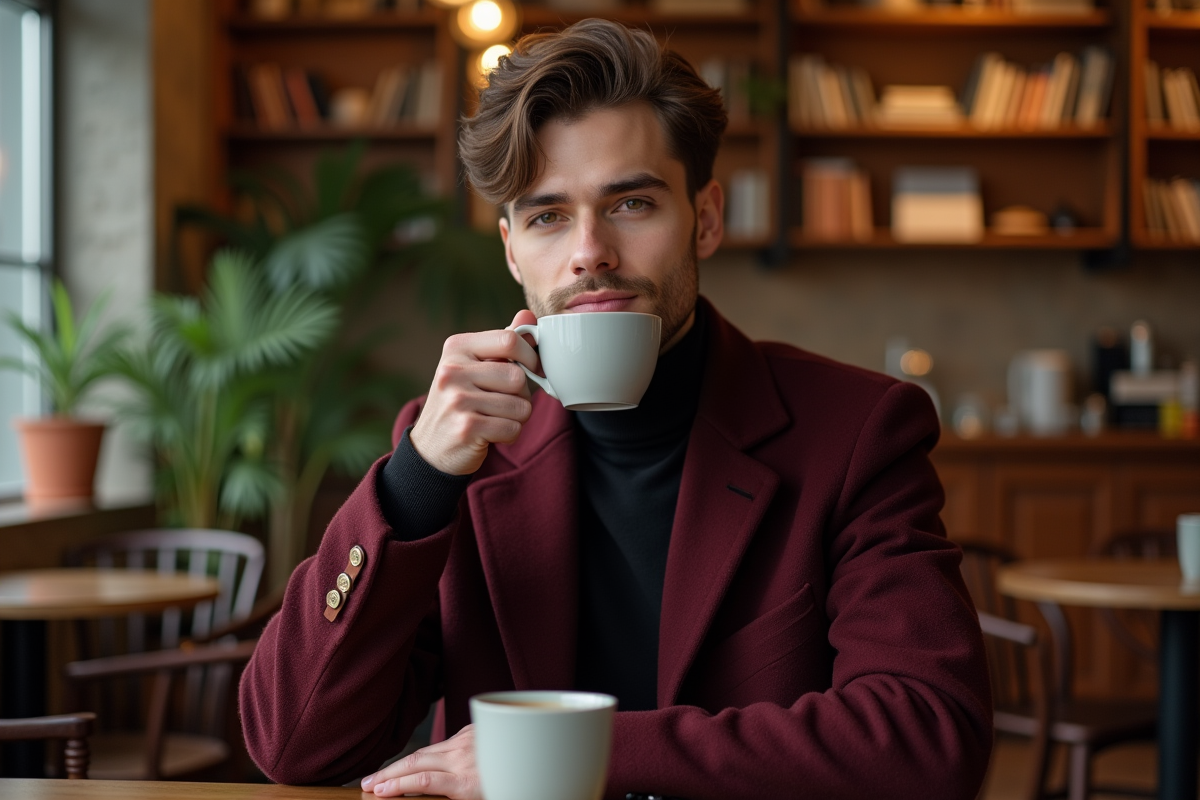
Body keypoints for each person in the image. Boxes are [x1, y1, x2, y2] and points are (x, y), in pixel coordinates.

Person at [239, 18, 992, 800]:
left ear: (705, 219)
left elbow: (932, 736)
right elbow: (294, 744)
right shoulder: (452, 450)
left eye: (631, 203)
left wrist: (570, 754)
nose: (589, 251)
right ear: (512, 250)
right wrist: (414, 481)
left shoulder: (856, 433)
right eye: (547, 216)